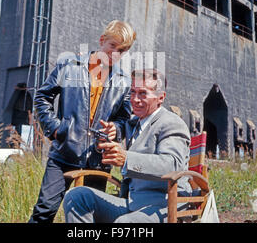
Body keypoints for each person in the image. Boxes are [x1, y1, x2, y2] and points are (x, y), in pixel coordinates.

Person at [29, 20, 136, 223]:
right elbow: (42, 97)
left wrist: (117, 129)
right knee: (44, 210)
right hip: (63, 154)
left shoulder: (124, 81)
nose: (116, 53)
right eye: (113, 46)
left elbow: (125, 119)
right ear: (102, 40)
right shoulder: (69, 66)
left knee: (91, 216)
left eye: (122, 50)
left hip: (97, 160)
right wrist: (55, 129)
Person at [63, 68, 192, 223]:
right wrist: (106, 140)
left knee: (124, 224)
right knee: (76, 197)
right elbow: (119, 129)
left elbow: (173, 165)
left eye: (143, 93)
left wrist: (126, 159)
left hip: (165, 205)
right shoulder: (134, 123)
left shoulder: (171, 123)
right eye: (132, 92)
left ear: (160, 97)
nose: (135, 99)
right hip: (132, 203)